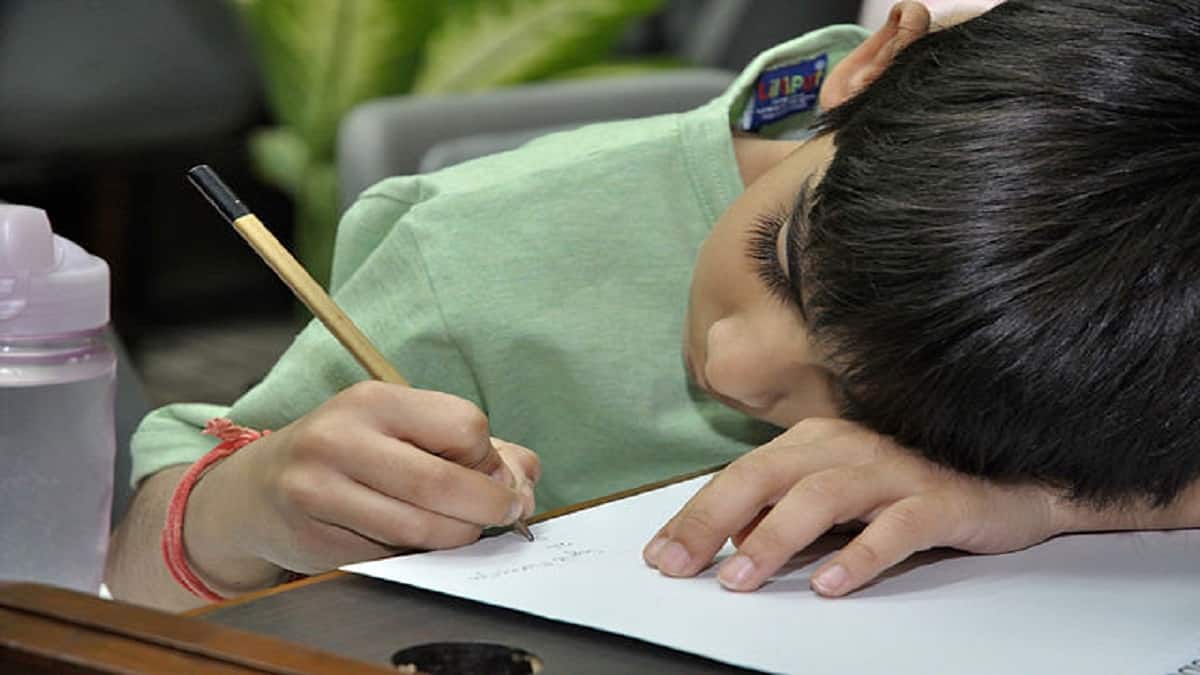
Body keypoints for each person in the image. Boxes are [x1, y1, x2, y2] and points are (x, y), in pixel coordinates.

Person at [107, 0, 1200, 611]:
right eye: (780, 258)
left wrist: (1049, 501)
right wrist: (250, 507)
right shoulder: (470, 255)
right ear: (871, 72)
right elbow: (129, 578)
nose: (735, 365)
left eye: (876, 397)